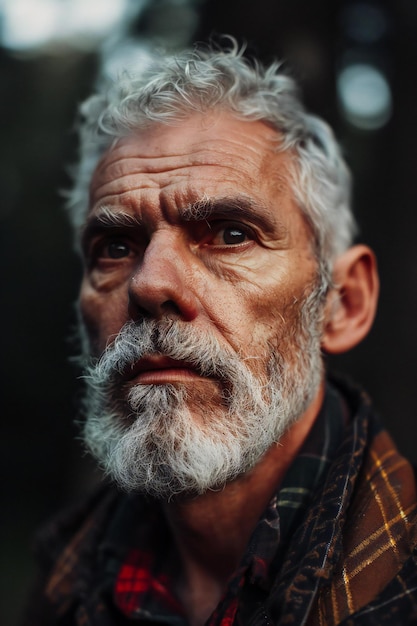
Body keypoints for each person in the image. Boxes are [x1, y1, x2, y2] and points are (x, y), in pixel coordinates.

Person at [21, 40, 417, 626]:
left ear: (343, 304)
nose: (150, 285)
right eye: (117, 246)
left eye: (231, 234)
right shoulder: (64, 581)